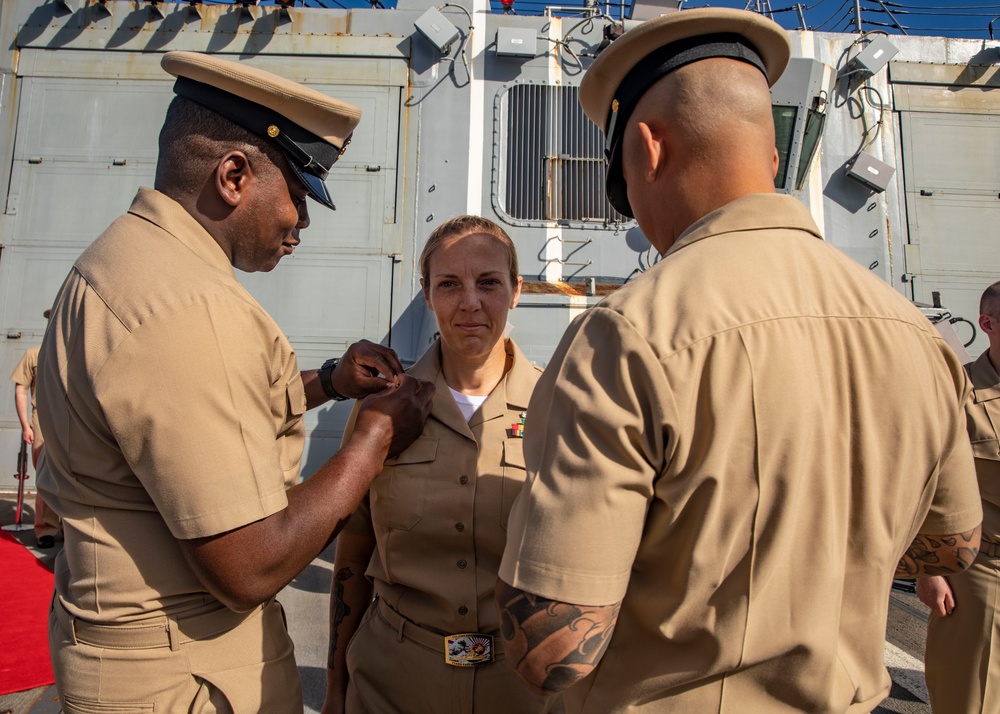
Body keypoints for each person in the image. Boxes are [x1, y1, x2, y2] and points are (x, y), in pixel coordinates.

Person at [494, 8, 983, 713]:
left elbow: (551, 655)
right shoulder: (918, 335)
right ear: (773, 160)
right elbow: (952, 548)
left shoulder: (629, 334)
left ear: (647, 149)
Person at [35, 51, 434, 713]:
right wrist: (372, 442)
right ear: (233, 175)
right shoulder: (187, 309)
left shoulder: (127, 262)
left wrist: (329, 383)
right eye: (298, 194)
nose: (301, 222)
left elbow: (182, 425)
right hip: (179, 678)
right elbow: (251, 564)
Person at [322, 216, 559, 714]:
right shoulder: (382, 410)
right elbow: (352, 557)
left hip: (520, 693)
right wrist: (335, 685)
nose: (470, 302)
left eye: (488, 283)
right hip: (393, 685)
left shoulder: (556, 408)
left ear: (516, 291)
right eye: (449, 284)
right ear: (427, 294)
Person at [918, 280, 1000, 713]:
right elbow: (922, 483)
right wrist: (927, 570)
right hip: (982, 569)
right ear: (987, 324)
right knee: (970, 696)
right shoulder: (958, 394)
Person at [9, 308, 60, 548]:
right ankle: (46, 529)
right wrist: (24, 424)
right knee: (46, 477)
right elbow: (20, 389)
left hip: (72, 421)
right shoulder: (34, 354)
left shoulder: (72, 353)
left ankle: (72, 530)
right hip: (43, 421)